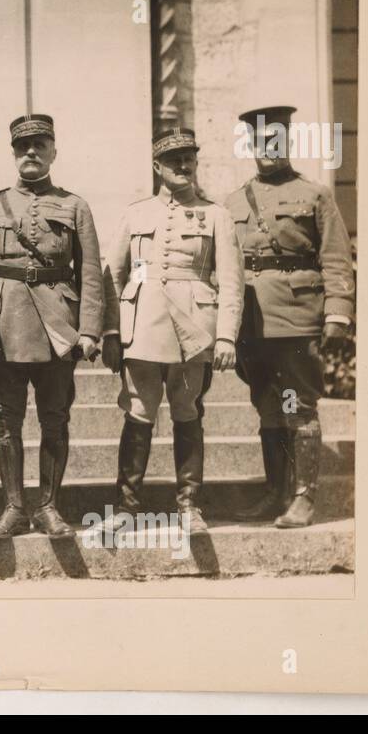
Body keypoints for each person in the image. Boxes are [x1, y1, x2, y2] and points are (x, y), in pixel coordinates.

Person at [0, 113, 104, 540]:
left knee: (55, 419)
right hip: (4, 326)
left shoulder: (75, 205)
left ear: (53, 152)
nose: (31, 152)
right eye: (23, 146)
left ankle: (47, 507)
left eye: (40, 145)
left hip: (57, 328)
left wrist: (90, 330)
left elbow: (91, 272)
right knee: (5, 420)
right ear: (13, 153)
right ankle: (13, 509)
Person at [100, 128, 243, 534]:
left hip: (193, 329)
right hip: (142, 325)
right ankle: (126, 508)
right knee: (138, 412)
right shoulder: (135, 213)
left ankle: (189, 507)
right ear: (157, 166)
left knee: (187, 411)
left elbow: (231, 281)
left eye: (189, 157)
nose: (183, 165)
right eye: (173, 159)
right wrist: (111, 332)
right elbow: (113, 276)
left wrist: (226, 336)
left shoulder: (216, 215)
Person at [224, 105, 354, 527]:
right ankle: (275, 493)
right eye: (259, 141)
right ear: (249, 145)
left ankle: (303, 497)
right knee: (267, 405)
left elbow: (336, 258)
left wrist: (337, 313)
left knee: (298, 404)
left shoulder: (314, 195)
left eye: (275, 140)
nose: (268, 148)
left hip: (297, 317)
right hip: (252, 321)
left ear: (289, 141)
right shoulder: (233, 201)